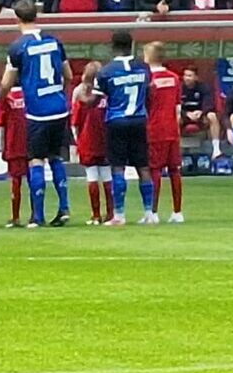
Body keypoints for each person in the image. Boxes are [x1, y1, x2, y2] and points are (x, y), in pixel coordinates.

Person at [0, 1, 72, 227]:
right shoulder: (54, 41)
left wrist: (2, 96)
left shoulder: (18, 47)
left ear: (17, 19)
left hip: (38, 112)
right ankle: (63, 207)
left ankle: (38, 215)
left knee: (36, 160)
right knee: (56, 158)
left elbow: (6, 83)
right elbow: (68, 74)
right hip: (59, 108)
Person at [83, 30, 154, 226]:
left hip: (116, 121)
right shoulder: (143, 68)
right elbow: (149, 94)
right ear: (131, 45)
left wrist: (83, 97)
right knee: (143, 167)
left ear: (112, 46)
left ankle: (119, 214)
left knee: (118, 167)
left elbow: (94, 101)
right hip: (139, 120)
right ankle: (149, 213)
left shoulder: (105, 72)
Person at [144, 43, 186, 223]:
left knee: (155, 170)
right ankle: (177, 212)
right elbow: (178, 109)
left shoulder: (148, 79)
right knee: (175, 170)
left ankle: (152, 213)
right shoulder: (174, 78)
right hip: (172, 129)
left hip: (154, 129)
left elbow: (145, 106)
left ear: (148, 57)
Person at [71, 63, 110, 224]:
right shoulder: (107, 94)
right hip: (106, 139)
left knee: (92, 176)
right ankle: (112, 213)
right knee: (107, 176)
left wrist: (76, 141)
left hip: (87, 140)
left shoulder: (80, 96)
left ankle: (95, 215)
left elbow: (75, 122)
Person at [0, 83, 30, 227]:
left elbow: (1, 124)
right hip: (31, 141)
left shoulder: (5, 97)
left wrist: (2, 147)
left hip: (13, 143)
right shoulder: (29, 92)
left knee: (15, 181)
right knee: (33, 179)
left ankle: (15, 217)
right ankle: (37, 215)